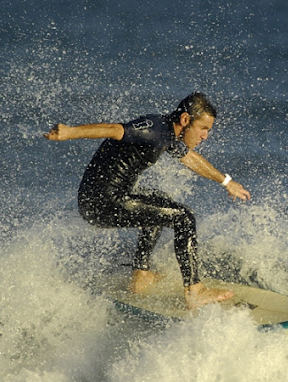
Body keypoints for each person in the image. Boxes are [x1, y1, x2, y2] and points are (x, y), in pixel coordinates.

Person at [44, 92, 251, 309]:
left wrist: (226, 181)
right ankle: (195, 291)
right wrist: (70, 132)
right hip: (104, 203)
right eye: (203, 128)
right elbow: (116, 130)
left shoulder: (167, 132)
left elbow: (189, 158)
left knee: (160, 202)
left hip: (98, 201)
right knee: (184, 216)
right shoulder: (154, 130)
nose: (205, 136)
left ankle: (140, 275)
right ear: (185, 120)